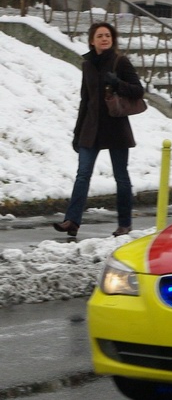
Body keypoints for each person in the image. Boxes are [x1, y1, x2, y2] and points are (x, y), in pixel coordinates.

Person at [53, 22, 144, 238]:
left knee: (121, 177)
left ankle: (124, 224)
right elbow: (86, 99)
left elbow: (138, 91)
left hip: (115, 127)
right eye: (100, 36)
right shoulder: (87, 65)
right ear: (92, 40)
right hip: (91, 128)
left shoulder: (120, 62)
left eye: (108, 36)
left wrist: (117, 82)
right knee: (82, 174)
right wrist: (77, 132)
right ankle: (72, 221)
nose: (104, 39)